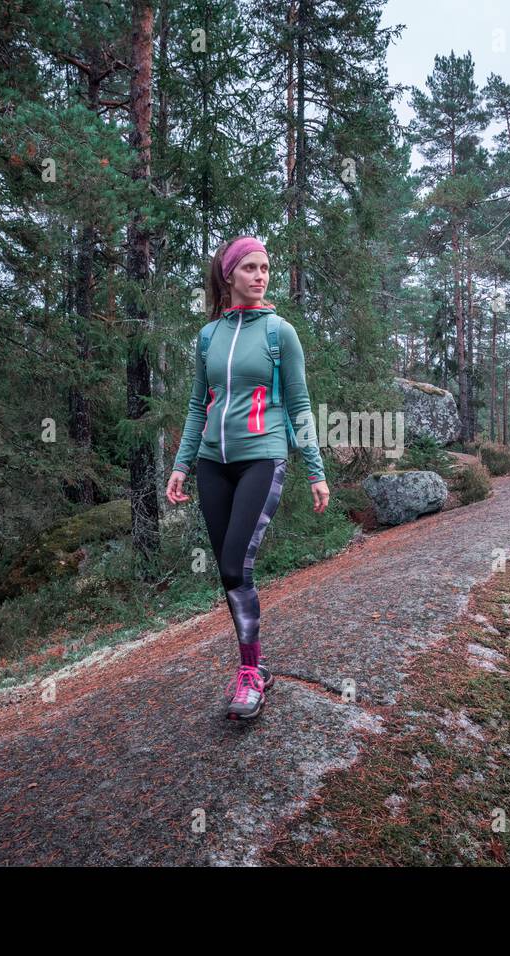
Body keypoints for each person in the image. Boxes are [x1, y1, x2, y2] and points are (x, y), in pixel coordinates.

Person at [164, 236, 330, 720]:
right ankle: (253, 668)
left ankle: (250, 674)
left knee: (236, 565)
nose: (261, 276)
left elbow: (299, 405)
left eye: (265, 268)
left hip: (264, 455)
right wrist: (182, 463)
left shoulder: (280, 333)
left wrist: (315, 470)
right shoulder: (208, 337)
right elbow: (199, 404)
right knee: (228, 571)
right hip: (214, 464)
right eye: (251, 268)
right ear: (229, 275)